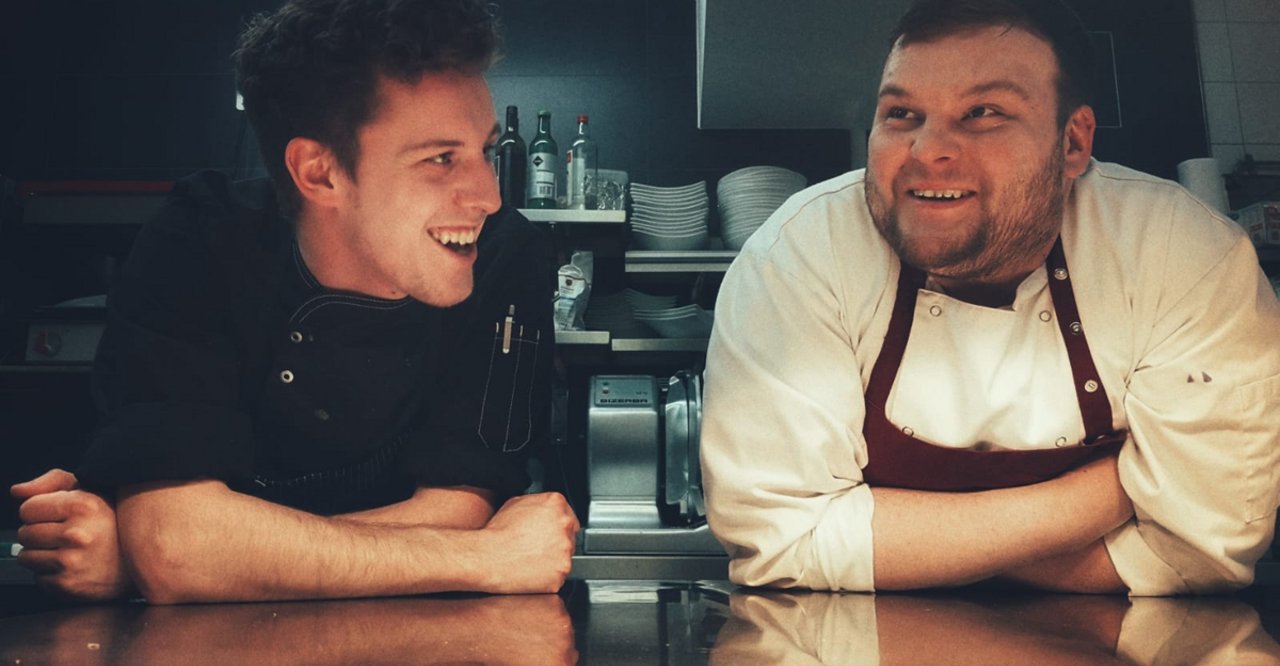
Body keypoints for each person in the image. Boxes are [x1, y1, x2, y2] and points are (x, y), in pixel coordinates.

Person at [701, 0, 1280, 595]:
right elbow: (779, 542)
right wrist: (1108, 492)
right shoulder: (801, 254)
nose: (927, 150)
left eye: (983, 112)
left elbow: (1199, 551)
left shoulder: (1182, 255)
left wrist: (882, 534)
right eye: (901, 113)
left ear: (1074, 143)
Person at [10, 0, 579, 604]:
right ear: (319, 173)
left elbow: (455, 509)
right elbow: (177, 547)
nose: (488, 196)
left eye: (484, 151)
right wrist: (484, 558)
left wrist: (166, 556)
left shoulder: (505, 256)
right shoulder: (202, 238)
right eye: (442, 158)